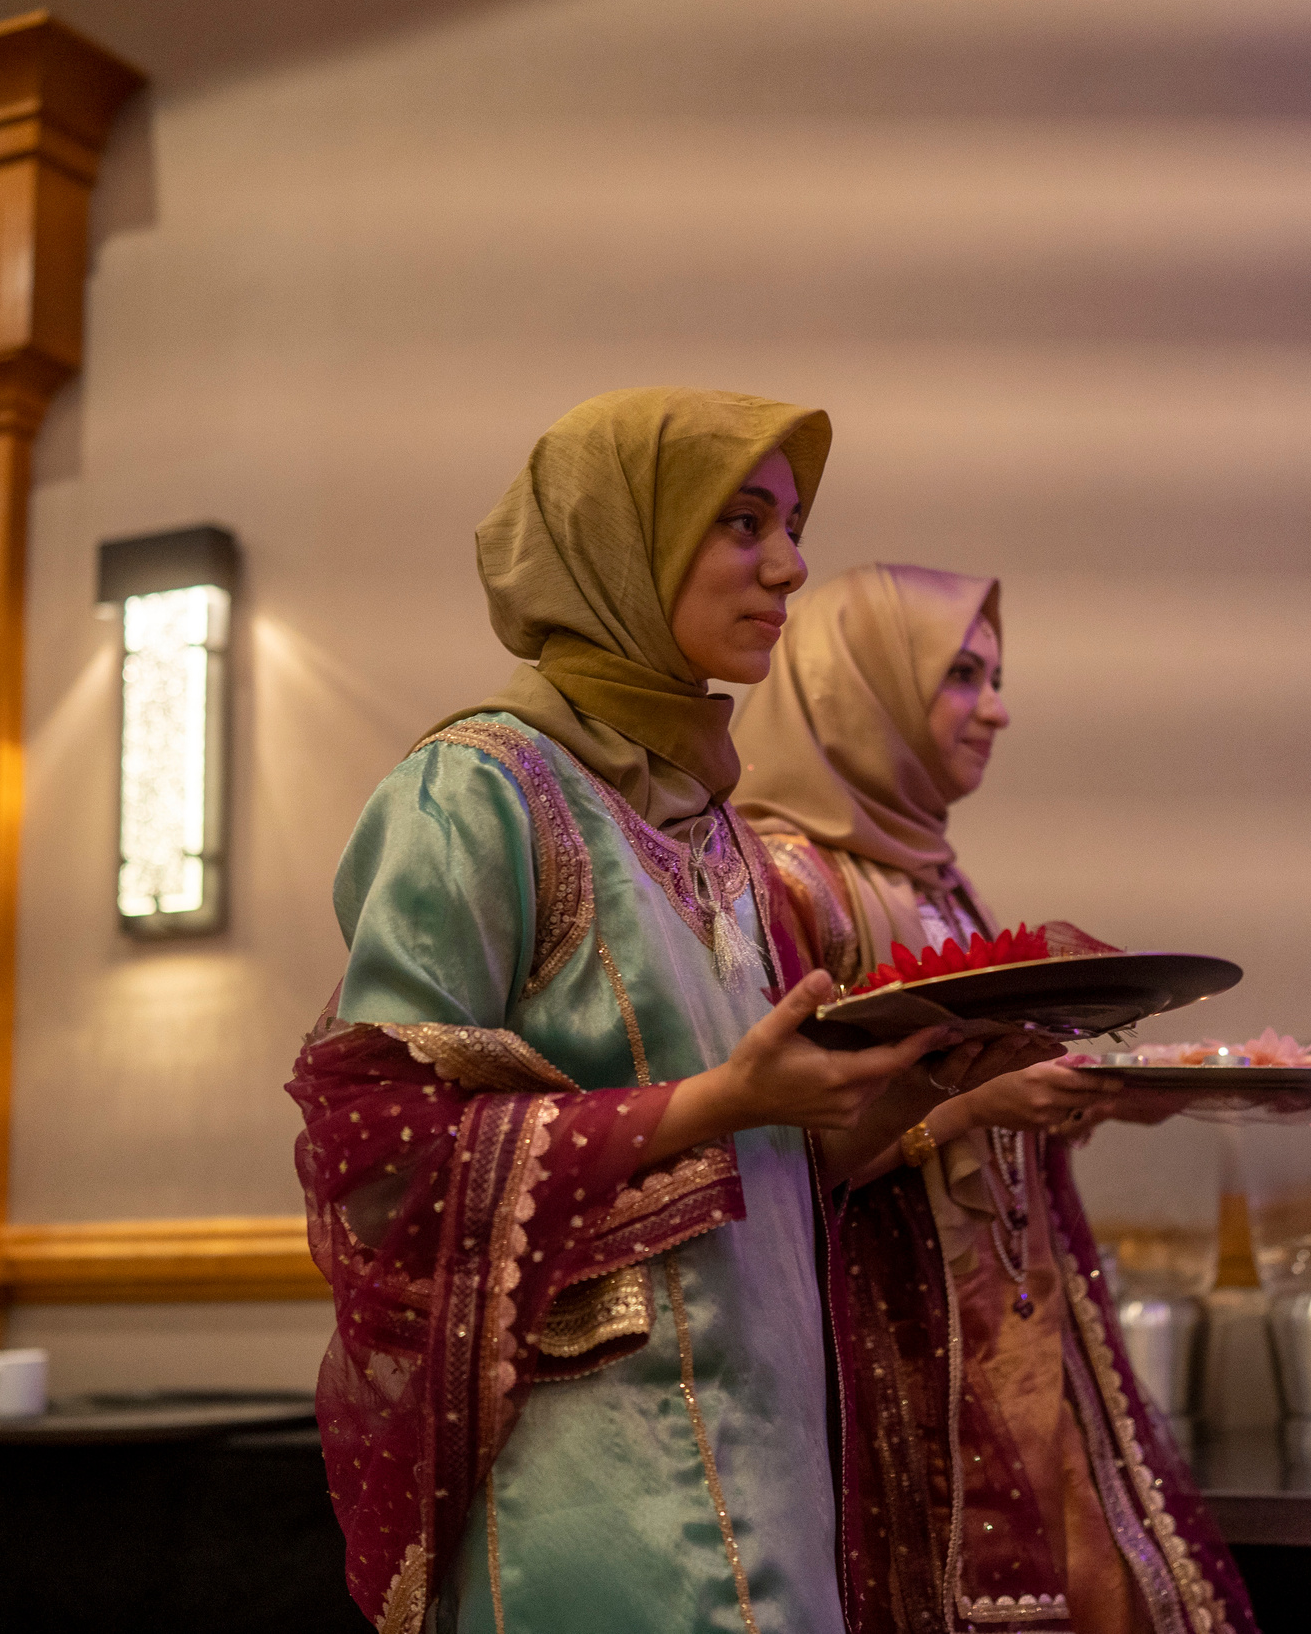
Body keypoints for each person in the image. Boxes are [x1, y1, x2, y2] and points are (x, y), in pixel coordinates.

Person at [290, 389, 976, 1634]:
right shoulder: (476, 794)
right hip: (599, 1503)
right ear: (623, 541)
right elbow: (377, 1162)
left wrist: (943, 1077)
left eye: (794, 523)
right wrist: (722, 1099)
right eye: (742, 522)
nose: (790, 563)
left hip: (776, 1478)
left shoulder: (719, 832)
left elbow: (782, 1168)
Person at [734, 565, 1259, 1634]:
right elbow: (781, 1164)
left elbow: (975, 1098)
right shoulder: (783, 888)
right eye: (963, 676)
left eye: (994, 675)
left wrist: (1090, 1097)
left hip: (1007, 1347)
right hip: (885, 1373)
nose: (998, 709)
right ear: (857, 688)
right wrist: (967, 1110)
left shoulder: (931, 878)